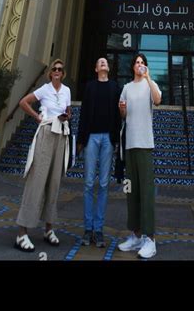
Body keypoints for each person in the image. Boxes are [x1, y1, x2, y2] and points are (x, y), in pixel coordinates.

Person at [14, 59, 71, 252]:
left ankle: (49, 228)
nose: (57, 71)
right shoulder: (44, 89)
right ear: (50, 73)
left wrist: (67, 115)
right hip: (46, 133)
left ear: (63, 73)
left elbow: (68, 109)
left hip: (61, 134)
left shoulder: (67, 91)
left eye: (60, 70)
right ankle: (22, 233)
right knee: (36, 181)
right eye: (54, 69)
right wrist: (37, 116)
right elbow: (23, 102)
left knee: (54, 183)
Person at [118, 53, 162, 259]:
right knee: (132, 192)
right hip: (130, 144)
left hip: (145, 144)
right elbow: (123, 114)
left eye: (142, 62)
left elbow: (158, 100)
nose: (139, 65)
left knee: (146, 191)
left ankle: (150, 240)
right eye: (136, 62)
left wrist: (149, 77)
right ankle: (135, 236)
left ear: (146, 66)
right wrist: (122, 109)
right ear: (132, 67)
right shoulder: (126, 88)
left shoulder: (149, 84)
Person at [76, 57, 121, 248]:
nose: (103, 63)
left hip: (108, 140)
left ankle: (99, 229)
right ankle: (88, 229)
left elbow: (120, 114)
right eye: (100, 62)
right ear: (96, 68)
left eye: (105, 62)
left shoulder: (115, 87)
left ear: (108, 68)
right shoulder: (90, 87)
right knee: (88, 183)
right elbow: (84, 113)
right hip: (92, 138)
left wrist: (116, 140)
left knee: (103, 184)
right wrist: (80, 139)